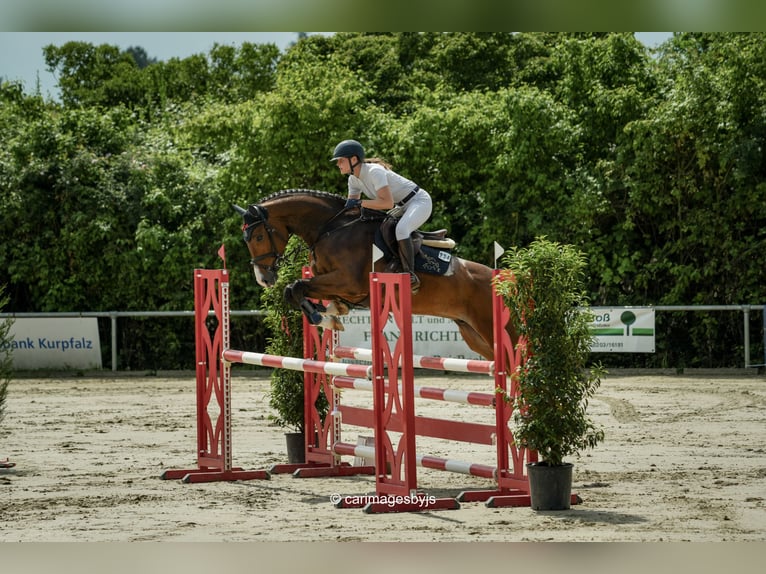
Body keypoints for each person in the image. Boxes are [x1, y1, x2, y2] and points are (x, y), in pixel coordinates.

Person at [331, 139, 432, 292]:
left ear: (354, 159)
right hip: (402, 205)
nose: (338, 164)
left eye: (341, 160)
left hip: (419, 201)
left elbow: (387, 203)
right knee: (381, 227)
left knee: (401, 230)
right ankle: (395, 262)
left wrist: (359, 203)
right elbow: (352, 208)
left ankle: (410, 275)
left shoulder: (374, 172)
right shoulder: (353, 179)